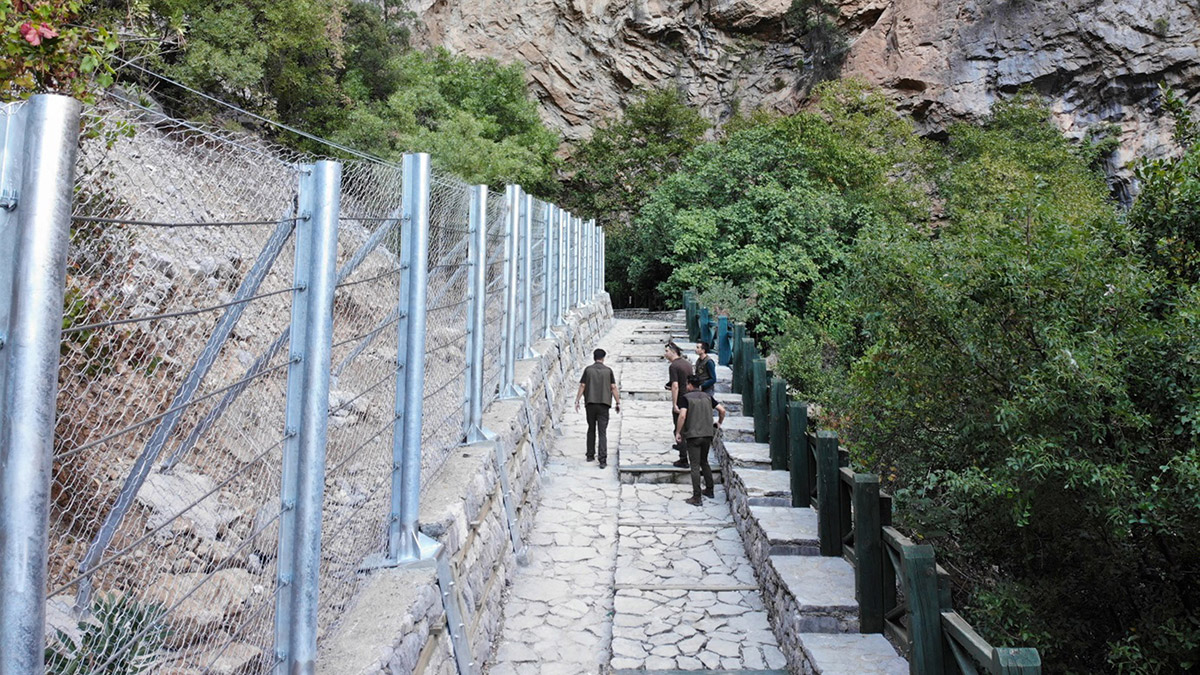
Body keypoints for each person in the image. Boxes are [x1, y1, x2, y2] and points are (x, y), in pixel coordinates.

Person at [675, 375, 726, 505]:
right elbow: (722, 410)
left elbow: (682, 415)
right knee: (704, 462)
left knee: (695, 466)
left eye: (687, 384)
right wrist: (719, 422)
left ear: (690, 384)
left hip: (693, 435)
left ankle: (696, 497)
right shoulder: (708, 397)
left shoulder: (686, 398)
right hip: (707, 434)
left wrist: (678, 432)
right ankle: (709, 489)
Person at [575, 348, 620, 468]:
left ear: (594, 357)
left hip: (590, 403)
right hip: (604, 404)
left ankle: (590, 455)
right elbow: (613, 387)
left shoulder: (588, 370)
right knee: (602, 432)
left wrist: (577, 400)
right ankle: (602, 460)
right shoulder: (608, 371)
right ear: (603, 358)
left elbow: (583, 385)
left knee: (591, 428)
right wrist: (618, 402)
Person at [664, 342, 693, 467]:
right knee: (688, 428)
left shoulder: (673, 366)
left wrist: (675, 404)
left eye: (666, 351)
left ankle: (683, 458)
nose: (665, 354)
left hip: (681, 399)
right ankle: (688, 453)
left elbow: (675, 386)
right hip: (690, 398)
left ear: (673, 351)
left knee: (679, 429)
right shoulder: (687, 364)